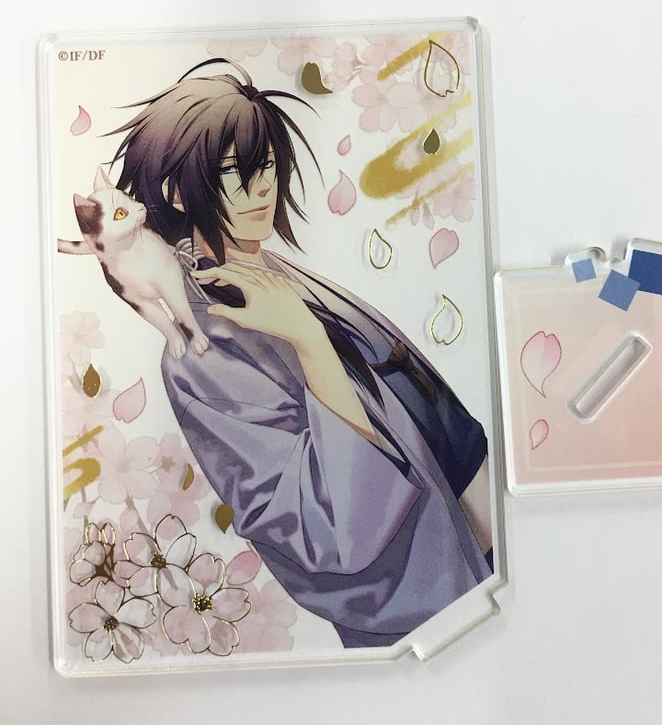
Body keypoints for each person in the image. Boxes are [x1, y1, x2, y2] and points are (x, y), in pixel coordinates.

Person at [110, 58, 493, 648]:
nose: (262, 187)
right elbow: (325, 524)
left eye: (266, 164)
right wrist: (310, 342)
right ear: (175, 191)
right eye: (233, 171)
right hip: (427, 607)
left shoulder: (271, 275)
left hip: (478, 548)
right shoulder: (199, 348)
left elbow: (425, 411)